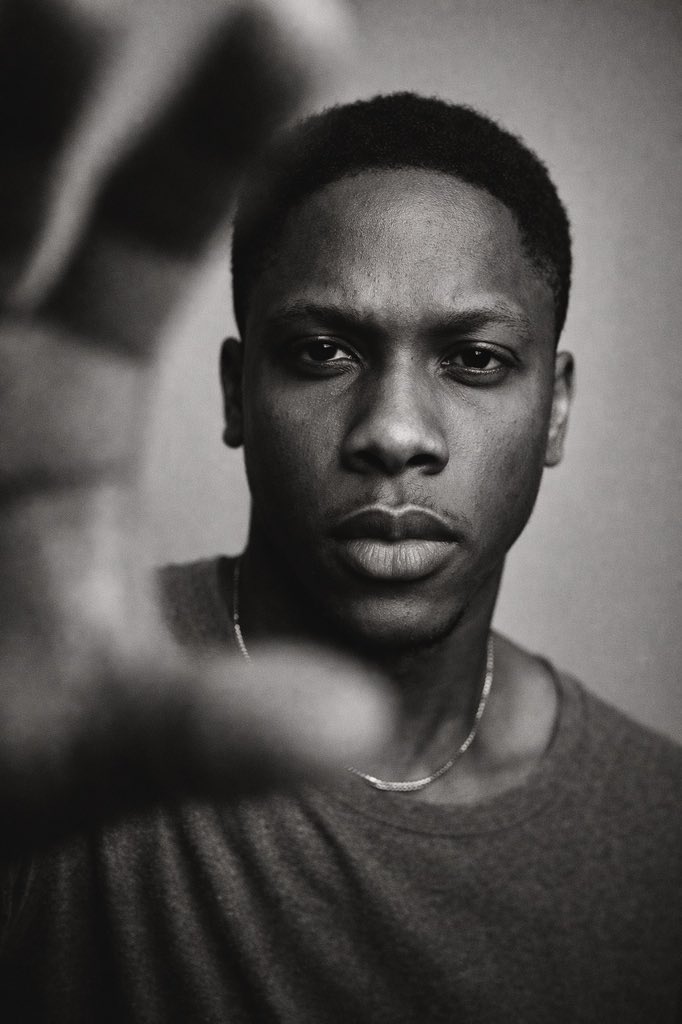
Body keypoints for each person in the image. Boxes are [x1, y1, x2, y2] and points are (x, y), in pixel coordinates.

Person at [0, 3, 680, 1022]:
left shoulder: (657, 833)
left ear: (556, 409)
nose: (394, 432)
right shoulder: (56, 692)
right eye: (322, 352)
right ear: (236, 394)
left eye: (474, 359)